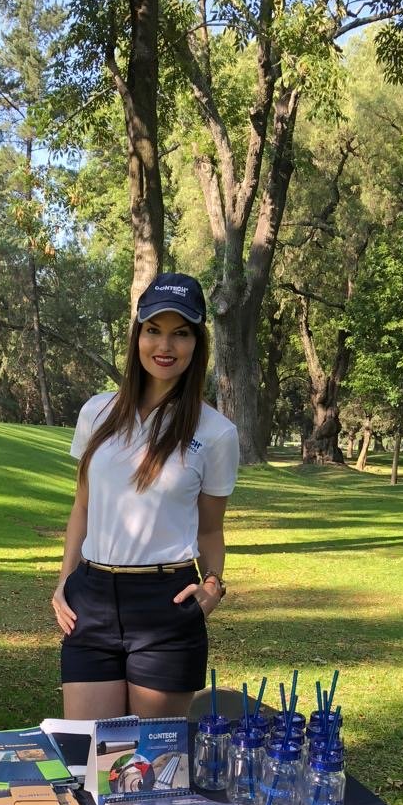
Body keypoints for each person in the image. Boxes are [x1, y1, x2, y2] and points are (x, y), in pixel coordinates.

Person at [52, 272, 240, 720]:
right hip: (91, 599)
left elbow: (211, 529)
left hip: (166, 604)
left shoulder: (215, 433)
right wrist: (64, 581)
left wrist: (213, 585)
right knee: (88, 758)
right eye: (154, 330)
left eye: (181, 334)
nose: (165, 346)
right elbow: (82, 507)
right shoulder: (96, 411)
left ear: (197, 344)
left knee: (150, 771)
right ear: (137, 334)